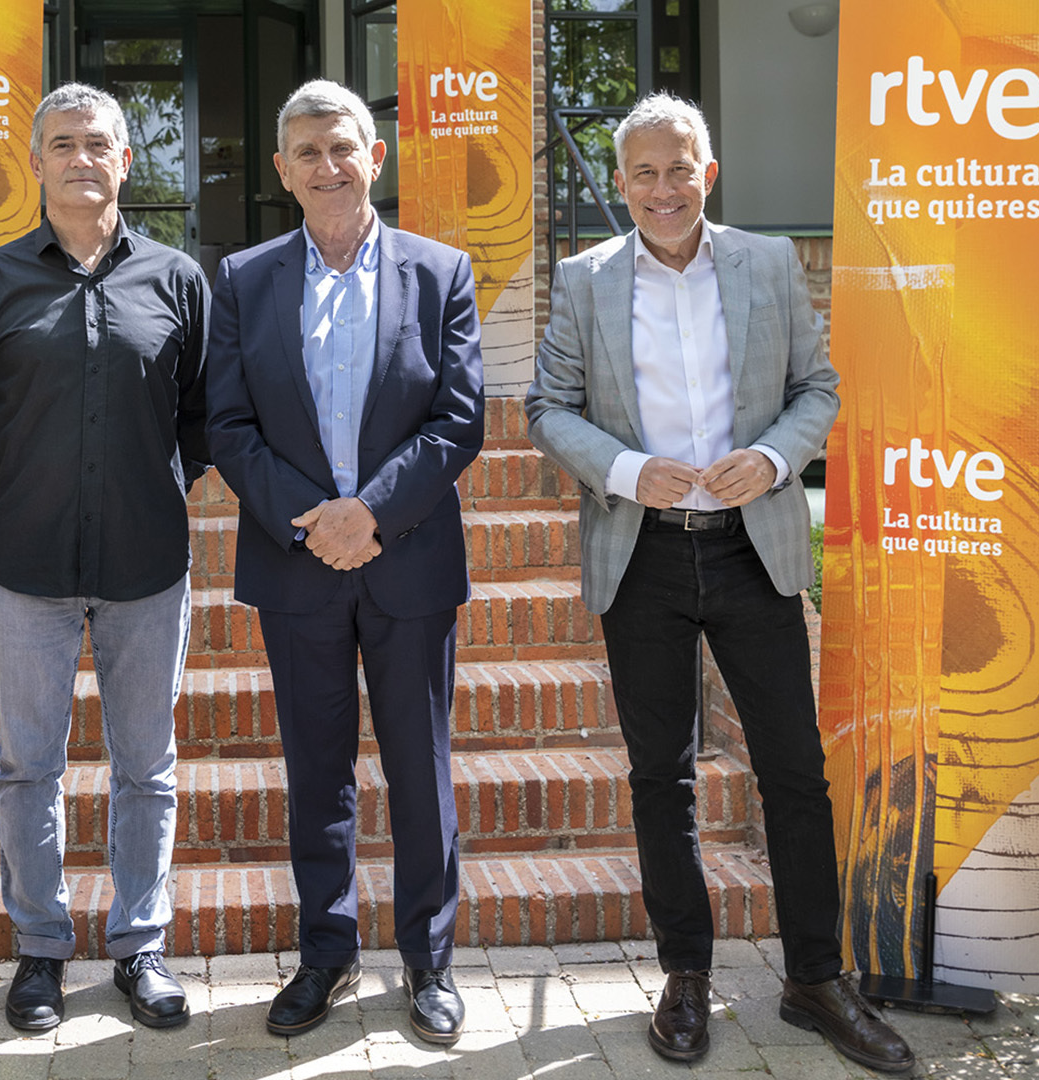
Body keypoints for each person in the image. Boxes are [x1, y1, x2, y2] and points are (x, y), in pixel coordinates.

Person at [523, 92, 914, 1072]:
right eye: (644, 173)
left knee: (795, 772)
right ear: (622, 184)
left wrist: (775, 459)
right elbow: (547, 407)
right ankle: (686, 975)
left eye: (679, 169)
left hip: (752, 549)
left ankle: (815, 979)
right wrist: (624, 469)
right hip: (642, 551)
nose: (663, 188)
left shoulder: (768, 263)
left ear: (709, 173)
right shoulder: (583, 280)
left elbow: (818, 387)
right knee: (662, 778)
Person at [205, 80, 484, 1046]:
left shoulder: (440, 272)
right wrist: (311, 522)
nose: (329, 167)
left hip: (407, 560)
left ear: (376, 157)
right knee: (316, 770)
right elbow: (228, 424)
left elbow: (458, 419)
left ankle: (429, 961)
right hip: (297, 566)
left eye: (343, 148)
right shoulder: (242, 280)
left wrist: (371, 514)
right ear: (283, 172)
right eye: (308, 153)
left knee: (420, 768)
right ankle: (326, 952)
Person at [0, 83, 206, 1034]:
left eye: (98, 143)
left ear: (126, 160)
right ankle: (42, 948)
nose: (81, 158)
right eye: (62, 144)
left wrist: (151, 485)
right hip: (27, 566)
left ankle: (141, 946)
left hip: (147, 562)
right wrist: (20, 491)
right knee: (27, 767)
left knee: (148, 768)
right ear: (36, 162)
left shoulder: (179, 279)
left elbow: (201, 417)